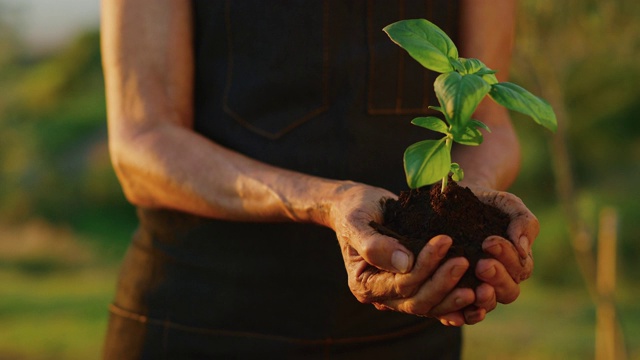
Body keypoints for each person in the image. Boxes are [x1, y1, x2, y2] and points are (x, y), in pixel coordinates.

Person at [101, 0, 538, 358]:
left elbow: (488, 121)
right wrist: (330, 201)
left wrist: (470, 202)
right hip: (204, 321)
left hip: (408, 330)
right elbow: (143, 144)